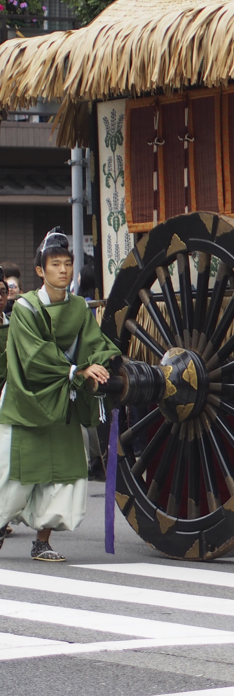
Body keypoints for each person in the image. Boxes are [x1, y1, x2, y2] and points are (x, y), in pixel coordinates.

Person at [0, 229, 119, 563]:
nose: (63, 270)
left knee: (64, 474)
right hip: (28, 398)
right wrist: (77, 370)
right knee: (16, 474)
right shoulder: (25, 307)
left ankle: (42, 541)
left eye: (67, 263)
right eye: (55, 264)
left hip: (64, 399)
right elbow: (33, 356)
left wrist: (104, 362)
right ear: (41, 270)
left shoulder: (79, 307)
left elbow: (94, 343)